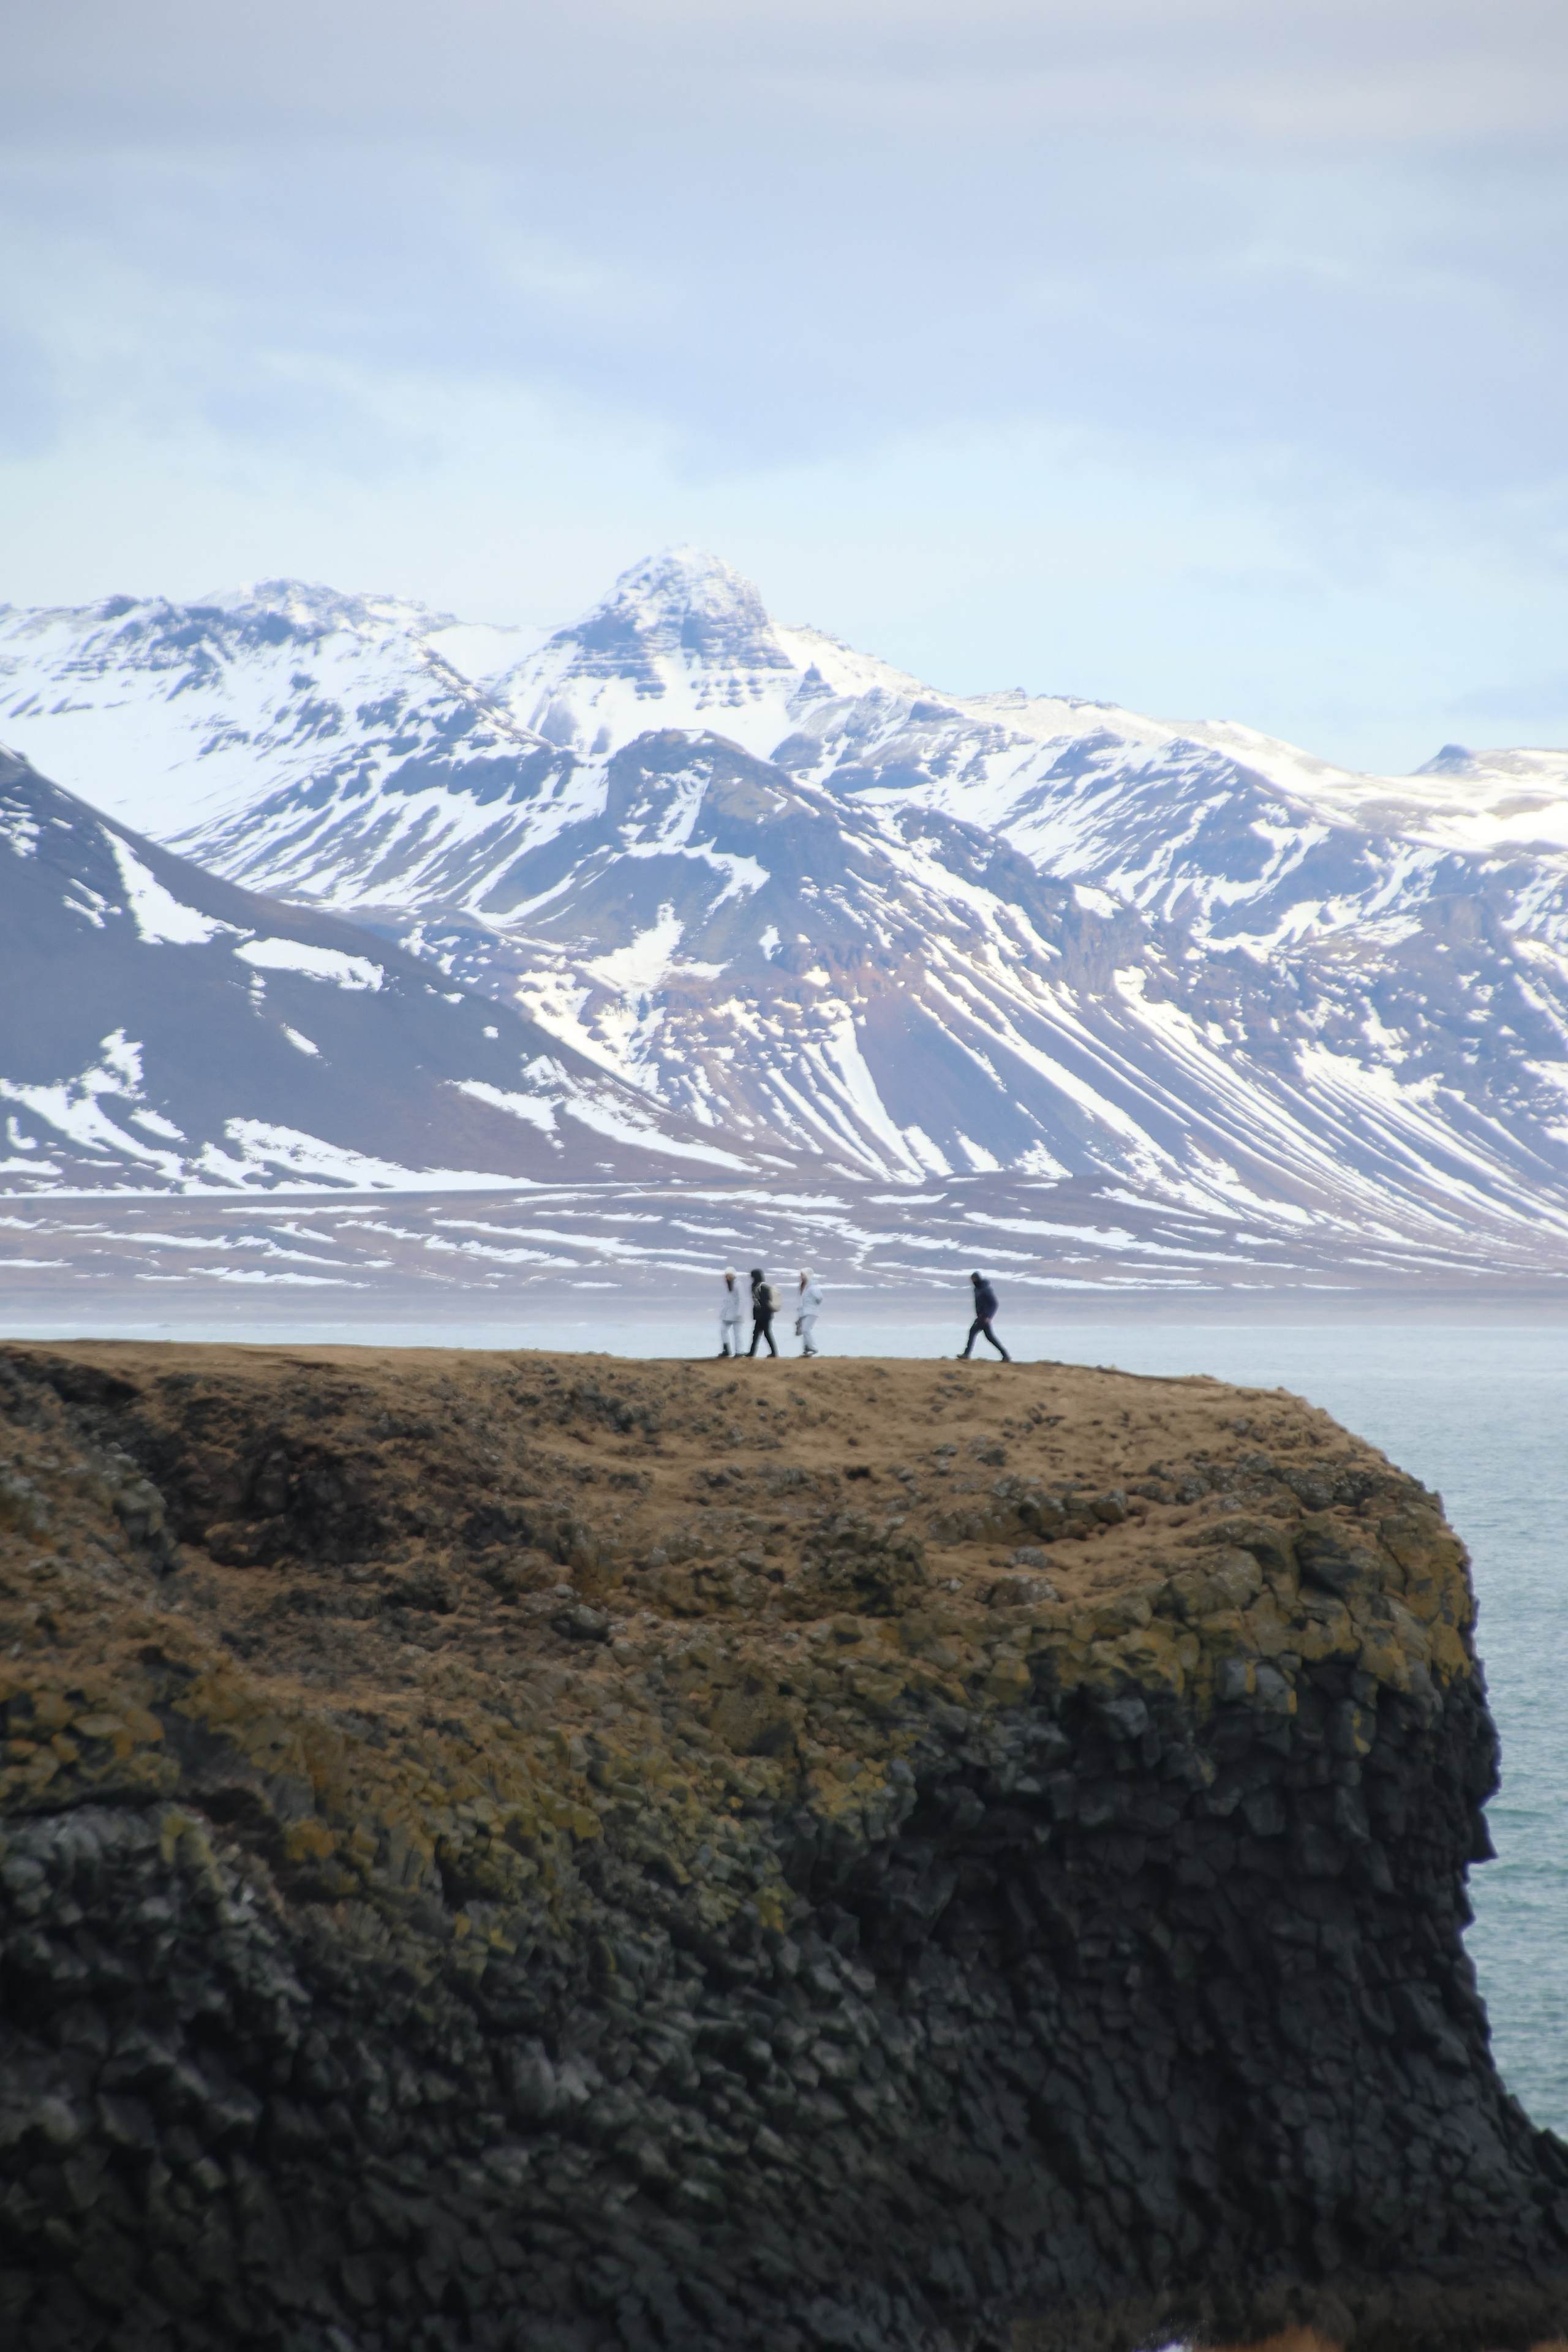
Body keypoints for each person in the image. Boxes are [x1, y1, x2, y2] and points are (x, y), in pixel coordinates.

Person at [960, 1270, 1011, 1360]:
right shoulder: (976, 1289)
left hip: (984, 1317)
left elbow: (994, 1303)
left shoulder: (985, 1289)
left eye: (974, 1279)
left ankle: (966, 1354)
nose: (972, 1281)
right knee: (990, 1337)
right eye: (971, 1279)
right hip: (980, 1316)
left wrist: (988, 1317)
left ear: (977, 1279)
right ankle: (1005, 1355)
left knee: (973, 1332)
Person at [747, 1267, 778, 1357]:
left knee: (762, 1334)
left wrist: (760, 1313)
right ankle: (754, 1353)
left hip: (763, 1316)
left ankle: (754, 1353)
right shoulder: (762, 1286)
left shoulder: (759, 1287)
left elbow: (764, 1303)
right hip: (764, 1315)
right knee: (761, 1333)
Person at [796, 1268, 823, 1357]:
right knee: (804, 1330)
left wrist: (813, 1306)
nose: (801, 1277)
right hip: (805, 1313)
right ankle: (807, 1349)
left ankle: (813, 1348)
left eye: (802, 1275)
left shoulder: (813, 1287)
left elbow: (820, 1298)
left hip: (811, 1312)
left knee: (806, 1330)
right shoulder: (805, 1287)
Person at [718, 1268, 744, 1359]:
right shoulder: (729, 1285)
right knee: (723, 1330)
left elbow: (742, 1299)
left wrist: (740, 1312)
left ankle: (739, 1352)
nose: (726, 1278)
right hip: (727, 1314)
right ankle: (726, 1349)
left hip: (736, 1314)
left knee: (737, 1333)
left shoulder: (738, 1284)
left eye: (728, 1276)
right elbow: (727, 1300)